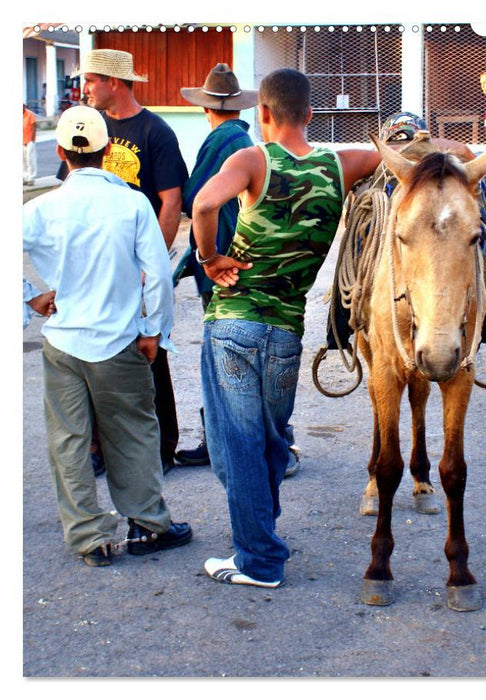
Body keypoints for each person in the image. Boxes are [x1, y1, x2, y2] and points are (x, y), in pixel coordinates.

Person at [192, 68, 382, 588]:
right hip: (286, 333)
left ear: (265, 115)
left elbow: (205, 203)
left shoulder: (254, 159)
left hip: (234, 325)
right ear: (312, 115)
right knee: (271, 441)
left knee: (237, 444)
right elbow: (404, 152)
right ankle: (262, 535)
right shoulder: (338, 164)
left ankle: (258, 559)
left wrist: (209, 258)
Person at [22, 106, 192, 567]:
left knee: (69, 441)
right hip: (118, 341)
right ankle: (148, 525)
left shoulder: (39, 209)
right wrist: (155, 331)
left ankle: (89, 539)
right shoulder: (133, 204)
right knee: (134, 431)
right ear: (109, 151)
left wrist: (30, 299)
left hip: (63, 344)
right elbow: (157, 275)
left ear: (60, 153)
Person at [70, 48, 189, 474]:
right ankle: (100, 450)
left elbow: (171, 199)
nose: (85, 89)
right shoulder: (88, 128)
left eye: (91, 80)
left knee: (150, 350)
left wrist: (150, 262)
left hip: (137, 263)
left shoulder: (154, 130)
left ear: (113, 82)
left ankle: (163, 448)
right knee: (94, 351)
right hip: (96, 263)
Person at [170, 63, 260, 469]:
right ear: (240, 108)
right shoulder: (247, 142)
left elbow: (196, 199)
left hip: (219, 262)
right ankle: (256, 440)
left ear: (207, 109)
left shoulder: (220, 140)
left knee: (220, 357)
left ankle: (220, 442)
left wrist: (204, 256)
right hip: (246, 257)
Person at [23, 104, 38, 185]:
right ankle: (25, 177)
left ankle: (31, 178)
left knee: (30, 159)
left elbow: (34, 127)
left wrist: (32, 139)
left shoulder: (30, 114)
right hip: (21, 140)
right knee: (23, 160)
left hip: (29, 141)